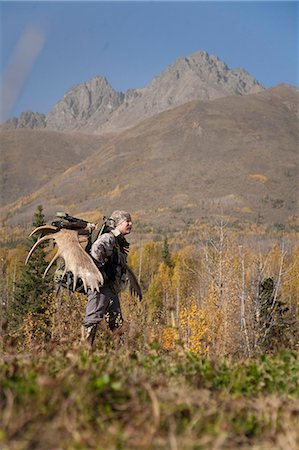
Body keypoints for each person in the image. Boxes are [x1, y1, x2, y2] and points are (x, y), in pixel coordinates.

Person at [82, 210, 133, 346]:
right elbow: (95, 251)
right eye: (127, 221)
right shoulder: (108, 238)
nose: (130, 224)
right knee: (92, 320)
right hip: (101, 288)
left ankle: (119, 356)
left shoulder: (118, 242)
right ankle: (84, 355)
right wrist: (101, 274)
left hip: (111, 290)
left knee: (116, 323)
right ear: (118, 224)